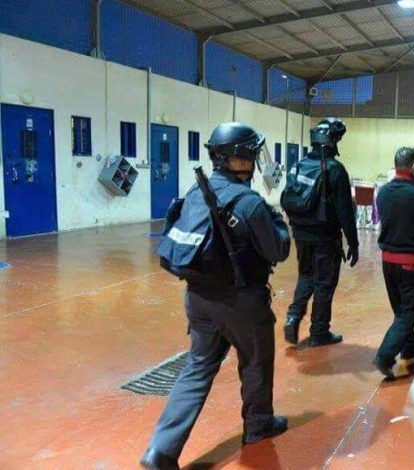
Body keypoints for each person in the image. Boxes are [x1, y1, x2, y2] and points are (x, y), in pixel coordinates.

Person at [141, 123, 291, 470]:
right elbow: (278, 250)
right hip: (242, 304)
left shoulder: (197, 192)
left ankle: (160, 450)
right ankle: (258, 426)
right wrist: (276, 219)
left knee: (197, 369)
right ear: (241, 158)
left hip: (198, 299)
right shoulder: (250, 203)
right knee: (255, 363)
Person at [282, 118, 359, 347]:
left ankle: (293, 316)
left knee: (306, 275)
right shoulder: (335, 169)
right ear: (333, 141)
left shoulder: (299, 165)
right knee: (324, 283)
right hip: (326, 238)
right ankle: (319, 332)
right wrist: (353, 243)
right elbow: (345, 212)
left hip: (301, 234)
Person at [373, 147, 414, 378]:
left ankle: (410, 347)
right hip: (412, 262)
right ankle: (384, 356)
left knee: (401, 309)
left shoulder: (383, 192)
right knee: (409, 312)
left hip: (388, 262)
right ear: (413, 166)